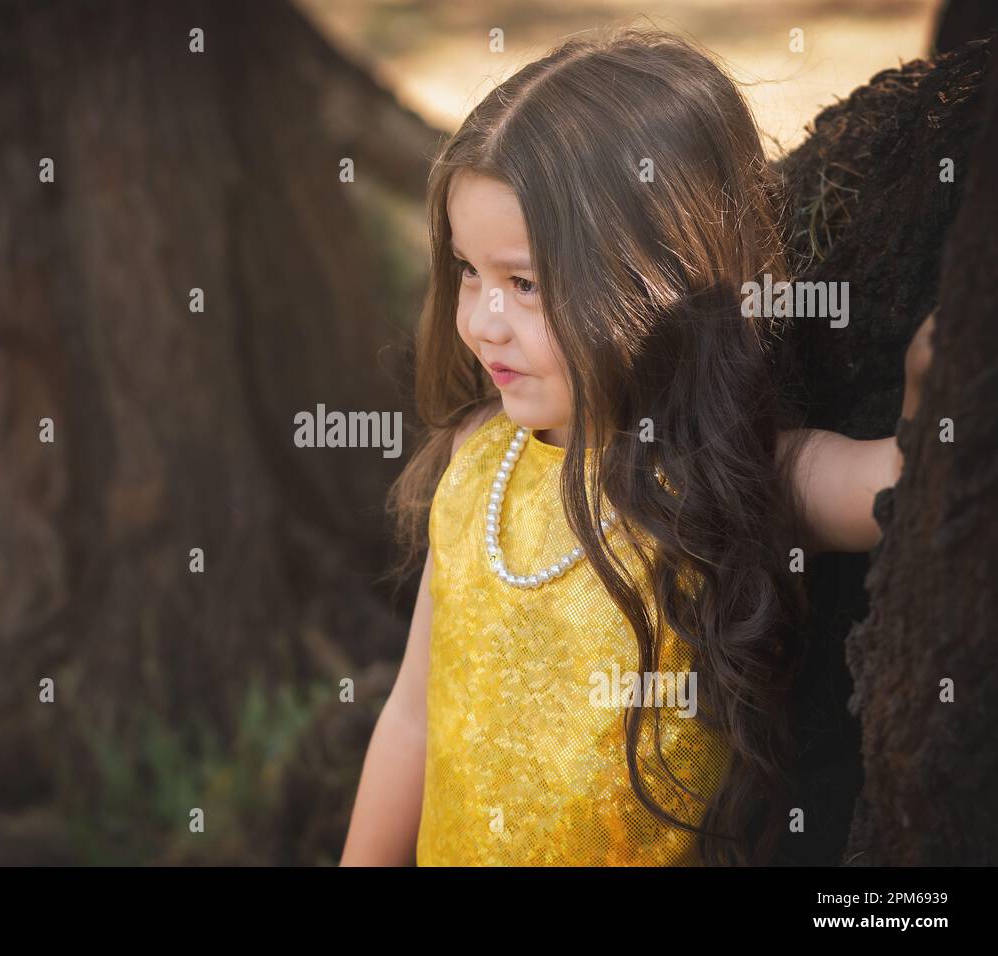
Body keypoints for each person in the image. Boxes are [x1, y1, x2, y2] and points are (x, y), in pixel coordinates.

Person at [339, 26, 937, 866]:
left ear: (659, 278)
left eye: (525, 283)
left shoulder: (739, 474)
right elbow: (412, 711)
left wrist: (940, 376)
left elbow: (907, 487)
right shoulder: (478, 460)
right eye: (469, 270)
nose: (480, 320)